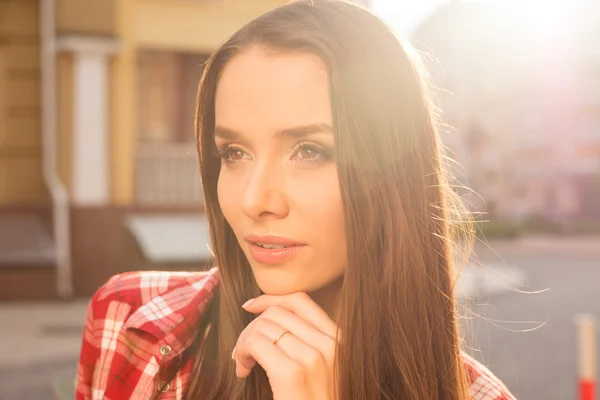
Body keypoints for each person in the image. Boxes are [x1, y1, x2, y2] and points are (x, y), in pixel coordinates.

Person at [75, 1, 516, 399]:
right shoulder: (126, 322)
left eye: (309, 151)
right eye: (234, 153)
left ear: (391, 175)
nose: (254, 200)